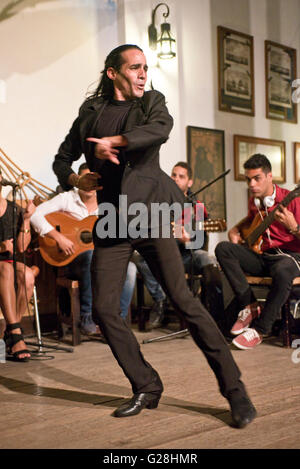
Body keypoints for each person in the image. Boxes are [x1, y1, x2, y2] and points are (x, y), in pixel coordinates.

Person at [52, 44, 256, 428]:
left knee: (184, 301)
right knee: (105, 308)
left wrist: (119, 142)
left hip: (152, 215)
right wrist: (77, 178)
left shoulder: (151, 103)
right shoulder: (91, 112)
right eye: (135, 67)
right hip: (113, 220)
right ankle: (146, 383)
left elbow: (159, 130)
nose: (143, 73)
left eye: (146, 67)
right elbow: (62, 158)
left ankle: (235, 391)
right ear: (113, 73)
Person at [30, 163, 136, 335]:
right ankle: (87, 316)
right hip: (72, 262)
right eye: (84, 180)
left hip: (100, 260)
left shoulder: (108, 204)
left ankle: (117, 322)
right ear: (77, 181)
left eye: (93, 181)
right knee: (91, 255)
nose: (89, 185)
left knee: (131, 269)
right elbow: (34, 214)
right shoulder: (67, 198)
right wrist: (58, 237)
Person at [215, 153, 300, 350]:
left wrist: (294, 226)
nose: (252, 184)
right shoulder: (256, 201)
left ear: (270, 176)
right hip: (265, 257)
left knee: (283, 270)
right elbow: (251, 220)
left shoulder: (293, 200)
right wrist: (235, 229)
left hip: (290, 258)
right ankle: (250, 305)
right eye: (248, 179)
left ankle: (261, 330)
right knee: (224, 249)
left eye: (257, 178)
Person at [135, 161, 223, 328]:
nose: (175, 179)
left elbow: (200, 242)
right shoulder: (158, 202)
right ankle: (160, 301)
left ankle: (213, 314)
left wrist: (188, 240)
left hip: (185, 257)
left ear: (189, 182)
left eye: (181, 176)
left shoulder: (196, 207)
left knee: (206, 258)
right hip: (163, 257)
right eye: (173, 175)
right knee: (141, 260)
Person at [0, 169, 36, 361]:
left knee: (28, 275)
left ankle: (12, 332)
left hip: (8, 263)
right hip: (2, 264)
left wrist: (27, 219)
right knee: (6, 268)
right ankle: (15, 335)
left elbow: (21, 247)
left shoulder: (14, 208)